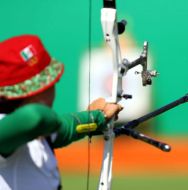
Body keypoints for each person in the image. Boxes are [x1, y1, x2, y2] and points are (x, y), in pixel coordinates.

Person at [0, 35, 122, 190]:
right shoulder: (8, 129)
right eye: (51, 84)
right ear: (38, 93)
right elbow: (35, 116)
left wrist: (98, 116)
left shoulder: (41, 130)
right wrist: (55, 124)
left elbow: (68, 129)